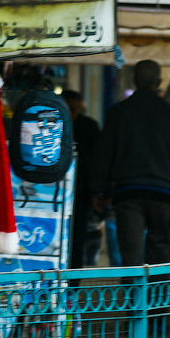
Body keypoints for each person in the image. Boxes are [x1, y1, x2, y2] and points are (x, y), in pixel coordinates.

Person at [90, 60, 170, 266]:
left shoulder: (119, 112)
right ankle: (159, 296)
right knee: (160, 248)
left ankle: (134, 296)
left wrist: (99, 191)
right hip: (162, 193)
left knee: (131, 253)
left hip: (128, 193)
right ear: (159, 82)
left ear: (134, 81)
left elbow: (105, 154)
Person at [61, 90, 101, 267]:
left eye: (75, 110)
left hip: (80, 191)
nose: (72, 114)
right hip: (55, 190)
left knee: (77, 237)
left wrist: (95, 192)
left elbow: (94, 161)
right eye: (68, 109)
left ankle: (73, 282)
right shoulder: (51, 123)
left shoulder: (89, 126)